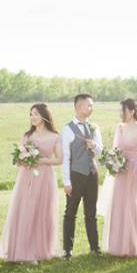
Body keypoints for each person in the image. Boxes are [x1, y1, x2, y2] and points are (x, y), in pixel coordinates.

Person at [0, 103, 62, 263]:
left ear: (44, 116)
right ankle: (24, 250)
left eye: (36, 114)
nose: (32, 117)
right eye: (31, 114)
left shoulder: (55, 136)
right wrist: (23, 160)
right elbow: (19, 158)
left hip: (45, 178)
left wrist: (41, 160)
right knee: (26, 210)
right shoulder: (27, 136)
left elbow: (60, 159)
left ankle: (41, 249)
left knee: (42, 211)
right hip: (27, 177)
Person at [98, 98, 137, 257]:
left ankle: (133, 245)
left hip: (135, 173)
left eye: (123, 110)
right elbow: (115, 150)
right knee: (119, 206)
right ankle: (118, 245)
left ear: (131, 111)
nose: (120, 114)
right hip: (121, 172)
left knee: (132, 208)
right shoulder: (120, 128)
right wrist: (113, 163)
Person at [61, 94, 103, 257]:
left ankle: (95, 247)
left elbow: (101, 152)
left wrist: (94, 146)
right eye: (89, 105)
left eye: (92, 105)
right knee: (70, 212)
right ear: (78, 106)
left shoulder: (94, 128)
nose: (91, 108)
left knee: (91, 212)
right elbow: (65, 157)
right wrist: (66, 181)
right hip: (75, 175)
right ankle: (68, 250)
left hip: (92, 174)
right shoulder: (67, 129)